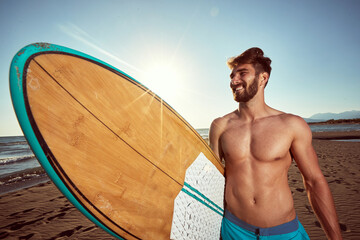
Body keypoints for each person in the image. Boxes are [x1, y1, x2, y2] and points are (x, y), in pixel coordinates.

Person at [209, 48, 342, 239]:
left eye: (242, 73)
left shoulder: (291, 124)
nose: (233, 81)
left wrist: (335, 237)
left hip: (283, 232)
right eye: (232, 75)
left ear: (263, 79)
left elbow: (314, 182)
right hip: (233, 229)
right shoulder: (219, 126)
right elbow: (211, 180)